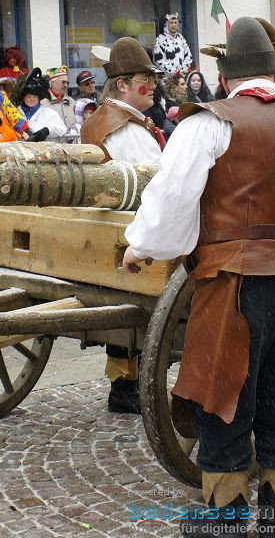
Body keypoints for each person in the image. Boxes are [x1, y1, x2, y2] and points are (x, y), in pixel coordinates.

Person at [122, 17, 275, 538]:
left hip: (235, 281)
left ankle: (227, 519)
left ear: (226, 74)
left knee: (225, 394)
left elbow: (173, 198)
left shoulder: (207, 123)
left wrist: (140, 247)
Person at [80, 37, 165, 414]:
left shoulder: (97, 120)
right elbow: (161, 185)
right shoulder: (127, 131)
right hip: (130, 234)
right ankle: (129, 383)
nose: (153, 86)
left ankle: (122, 379)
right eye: (145, 79)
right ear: (122, 85)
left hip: (104, 231)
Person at [11, 69, 67, 142]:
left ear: (39, 98)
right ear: (23, 98)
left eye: (35, 97)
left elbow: (62, 129)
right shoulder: (13, 113)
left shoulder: (49, 113)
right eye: (29, 97)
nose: (32, 99)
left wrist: (47, 130)